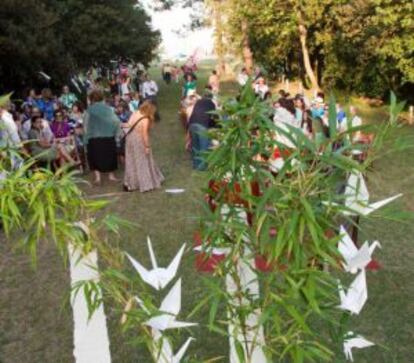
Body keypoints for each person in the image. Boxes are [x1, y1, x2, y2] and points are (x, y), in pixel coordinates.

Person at [122, 101, 164, 192]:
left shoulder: (135, 113)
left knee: (131, 160)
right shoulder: (145, 119)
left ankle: (131, 183)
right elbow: (144, 134)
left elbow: (128, 124)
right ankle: (145, 183)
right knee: (142, 161)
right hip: (138, 140)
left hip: (130, 139)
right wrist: (147, 146)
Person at [84, 90, 120, 184]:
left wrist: (86, 136)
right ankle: (111, 176)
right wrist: (116, 134)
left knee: (95, 157)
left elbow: (85, 125)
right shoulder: (108, 109)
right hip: (108, 136)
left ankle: (98, 178)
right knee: (110, 155)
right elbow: (116, 121)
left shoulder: (89, 110)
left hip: (94, 137)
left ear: (91, 99)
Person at [188, 89, 217, 170]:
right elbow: (213, 117)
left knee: (195, 145)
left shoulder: (198, 102)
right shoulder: (211, 104)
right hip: (202, 125)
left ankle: (195, 165)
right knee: (203, 147)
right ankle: (203, 167)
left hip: (192, 124)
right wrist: (216, 126)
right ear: (211, 98)